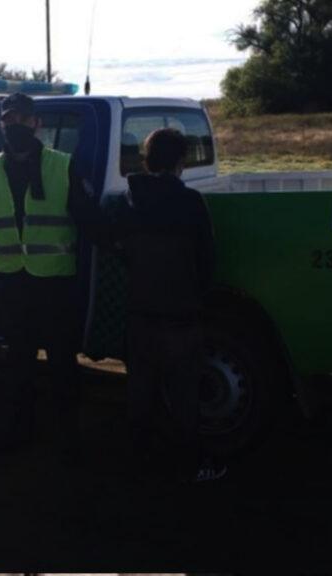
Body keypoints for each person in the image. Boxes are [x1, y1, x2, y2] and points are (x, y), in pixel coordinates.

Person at [0, 93, 103, 464]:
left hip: (53, 284)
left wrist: (123, 244)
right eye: (9, 119)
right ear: (1, 124)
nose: (16, 124)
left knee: (61, 365)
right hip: (9, 285)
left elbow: (88, 220)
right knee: (19, 364)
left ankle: (68, 437)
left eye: (23, 118)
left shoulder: (62, 166)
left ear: (36, 123)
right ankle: (20, 431)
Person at [114, 127, 225, 483]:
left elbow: (117, 249)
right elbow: (207, 260)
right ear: (181, 163)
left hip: (140, 312)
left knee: (141, 391)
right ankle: (194, 465)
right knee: (184, 395)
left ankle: (138, 463)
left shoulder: (128, 200)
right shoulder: (191, 203)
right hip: (181, 314)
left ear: (146, 161)